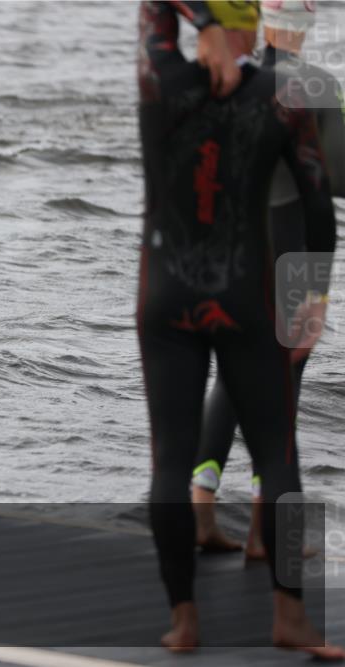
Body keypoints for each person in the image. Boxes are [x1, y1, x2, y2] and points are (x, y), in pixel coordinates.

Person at [136, 0, 341, 658]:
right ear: (255, 24)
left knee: (169, 459)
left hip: (166, 291)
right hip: (252, 282)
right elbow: (322, 199)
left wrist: (202, 28)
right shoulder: (290, 94)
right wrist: (315, 293)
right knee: (278, 448)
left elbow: (154, 10)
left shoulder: (160, 81)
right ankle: (288, 609)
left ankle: (184, 620)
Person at [192, 0, 345, 557]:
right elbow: (333, 184)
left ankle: (199, 510)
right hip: (293, 250)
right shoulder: (317, 85)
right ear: (306, 26)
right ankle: (269, 532)